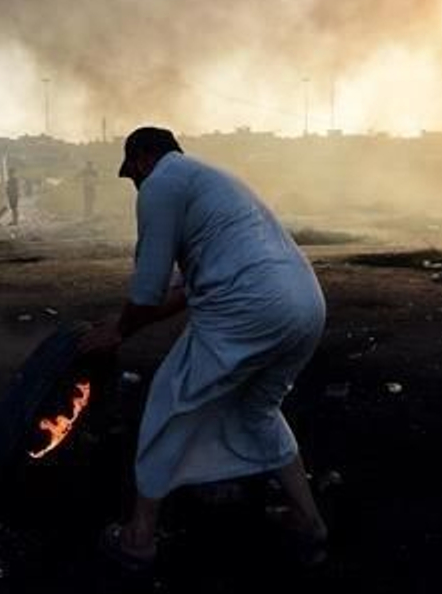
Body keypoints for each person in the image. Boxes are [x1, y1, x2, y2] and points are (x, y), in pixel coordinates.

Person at [79, 126, 329, 570]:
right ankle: (307, 521)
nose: (134, 184)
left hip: (250, 306)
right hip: (305, 304)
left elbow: (148, 289)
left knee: (166, 403)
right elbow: (180, 293)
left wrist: (119, 330)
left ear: (141, 161)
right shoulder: (209, 179)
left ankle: (138, 539)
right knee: (259, 410)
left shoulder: (159, 184)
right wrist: (124, 325)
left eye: (132, 174)